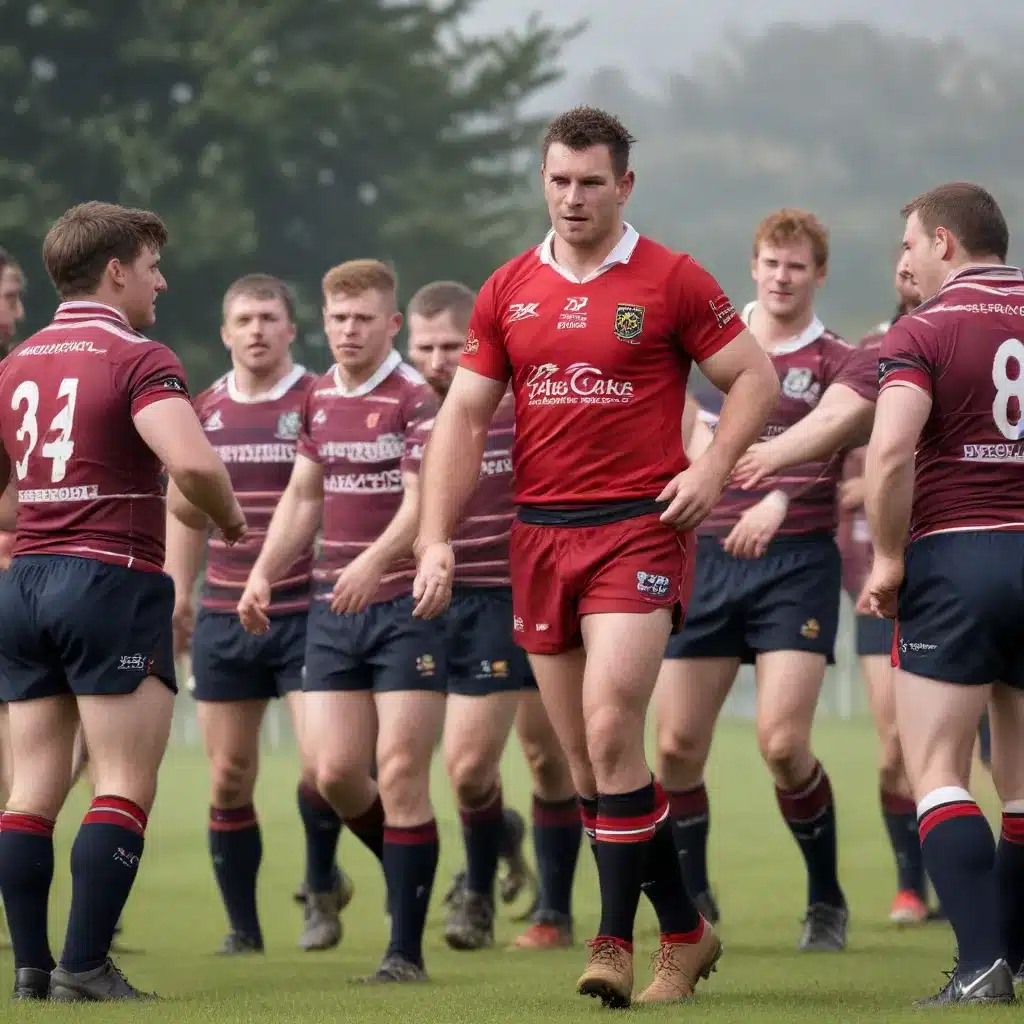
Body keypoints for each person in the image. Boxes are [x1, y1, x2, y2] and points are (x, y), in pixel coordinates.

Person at [412, 106, 779, 1007]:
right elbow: (463, 418)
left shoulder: (672, 279)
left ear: (625, 185)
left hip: (639, 528)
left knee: (616, 727)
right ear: (544, 181)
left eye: (590, 181)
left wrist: (714, 468)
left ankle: (616, 944)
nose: (572, 197)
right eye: (558, 180)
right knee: (589, 768)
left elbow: (754, 380)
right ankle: (688, 931)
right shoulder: (507, 289)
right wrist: (433, 536)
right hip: (539, 535)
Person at [0, 201, 245, 1002]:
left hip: (25, 581)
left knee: (30, 786)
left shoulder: (16, 362)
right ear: (115, 271)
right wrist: (230, 517)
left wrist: (49, 506)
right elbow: (193, 463)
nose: (160, 281)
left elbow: (5, 499)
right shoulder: (138, 356)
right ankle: (87, 966)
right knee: (121, 783)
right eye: (150, 266)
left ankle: (32, 968)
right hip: (109, 579)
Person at [654, 210, 877, 952]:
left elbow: (841, 438)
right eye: (770, 264)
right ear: (752, 267)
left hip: (796, 563)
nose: (782, 278)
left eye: (797, 267)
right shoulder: (709, 352)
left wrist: (781, 496)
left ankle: (825, 900)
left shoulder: (838, 358)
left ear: (819, 275)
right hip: (709, 558)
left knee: (783, 743)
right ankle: (695, 895)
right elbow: (680, 430)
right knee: (678, 744)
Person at [237, 259, 444, 984]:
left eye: (364, 319)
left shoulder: (415, 399)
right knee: (331, 773)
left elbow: (422, 503)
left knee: (400, 771)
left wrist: (377, 560)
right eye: (338, 319)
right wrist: (264, 569)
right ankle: (411, 869)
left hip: (403, 609)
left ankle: (405, 951)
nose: (349, 331)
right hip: (332, 608)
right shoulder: (319, 396)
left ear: (391, 324)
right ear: (324, 323)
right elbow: (303, 496)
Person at [861, 181, 1024, 1005]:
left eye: (913, 247)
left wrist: (888, 559)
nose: (909, 264)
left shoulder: (924, 330)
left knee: (936, 768)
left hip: (957, 557)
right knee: (1023, 782)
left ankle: (981, 966)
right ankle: (1013, 954)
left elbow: (889, 455)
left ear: (947, 246)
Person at [163, 274, 353, 956]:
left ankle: (319, 885)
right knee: (229, 774)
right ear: (224, 331)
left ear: (290, 326)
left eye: (268, 317)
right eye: (242, 319)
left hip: (308, 612)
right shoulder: (203, 407)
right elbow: (184, 511)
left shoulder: (319, 400)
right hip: (222, 614)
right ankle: (242, 929)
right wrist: (177, 593)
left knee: (321, 767)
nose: (255, 330)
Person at [406, 281, 580, 951]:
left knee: (544, 755)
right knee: (470, 768)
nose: (438, 359)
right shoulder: (408, 412)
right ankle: (485, 875)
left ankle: (549, 913)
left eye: (452, 344)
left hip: (523, 592)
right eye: (424, 347)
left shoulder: (516, 401)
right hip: (445, 595)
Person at [836, 262, 933, 924]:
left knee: (989, 749)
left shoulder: (976, 349)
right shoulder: (868, 357)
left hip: (966, 572)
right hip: (883, 581)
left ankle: (973, 881)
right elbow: (842, 470)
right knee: (896, 742)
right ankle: (910, 885)